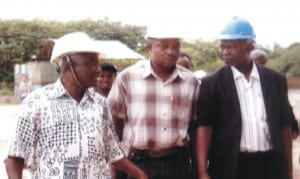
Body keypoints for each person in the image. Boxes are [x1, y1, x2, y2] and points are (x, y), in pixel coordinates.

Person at [5, 32, 147, 179]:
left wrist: (139, 174)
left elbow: (112, 151)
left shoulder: (100, 104)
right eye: (90, 63)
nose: (98, 69)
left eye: (97, 63)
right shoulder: (36, 102)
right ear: (67, 64)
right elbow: (14, 157)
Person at [196, 17, 292, 179]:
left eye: (230, 47)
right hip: (230, 167)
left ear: (249, 46)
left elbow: (284, 127)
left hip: (270, 166)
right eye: (222, 47)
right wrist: (203, 172)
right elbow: (205, 128)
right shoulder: (211, 84)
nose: (224, 52)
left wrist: (288, 171)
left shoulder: (276, 81)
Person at [106, 30, 200, 179]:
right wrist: (116, 166)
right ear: (149, 47)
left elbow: (194, 127)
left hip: (177, 162)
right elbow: (114, 123)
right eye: (163, 46)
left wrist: (197, 169)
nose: (170, 52)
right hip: (138, 162)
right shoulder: (128, 77)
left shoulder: (191, 82)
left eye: (175, 47)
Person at [251, 48, 299, 139]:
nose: (256, 65)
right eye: (253, 61)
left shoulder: (275, 80)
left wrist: (293, 126)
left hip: (272, 130)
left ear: (265, 61)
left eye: (258, 61)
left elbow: (285, 106)